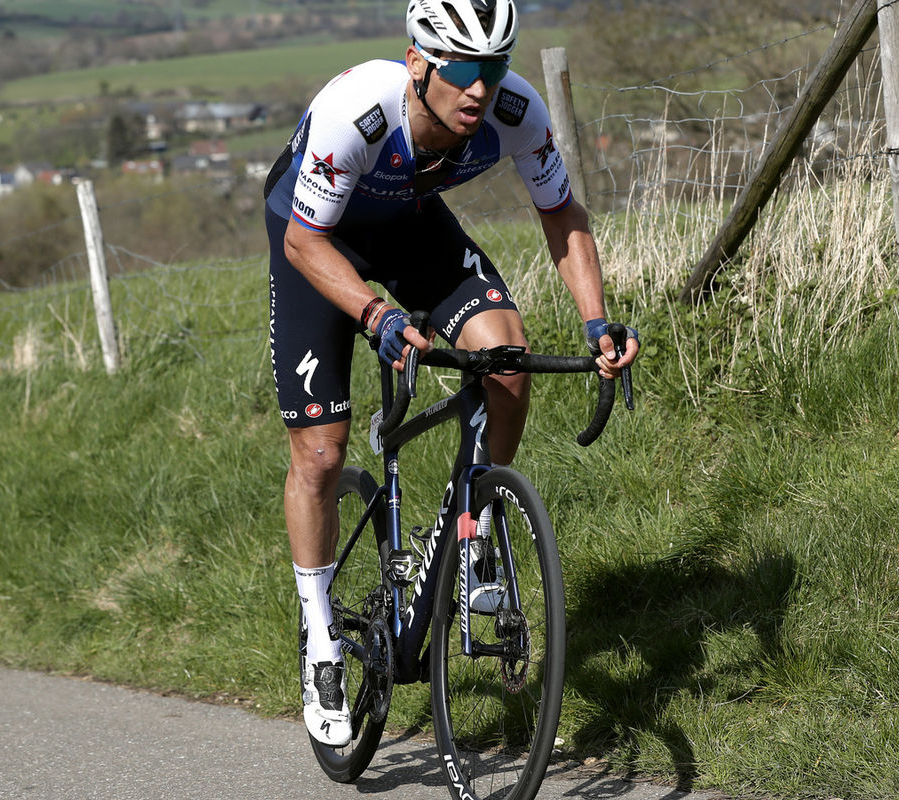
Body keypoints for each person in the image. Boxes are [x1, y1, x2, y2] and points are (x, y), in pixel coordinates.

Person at [263, 0, 639, 747]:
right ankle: (320, 639)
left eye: (492, 69)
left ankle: (477, 527)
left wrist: (598, 323)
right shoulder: (355, 114)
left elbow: (561, 213)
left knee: (504, 356)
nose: (479, 88)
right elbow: (307, 241)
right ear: (417, 64)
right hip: (317, 242)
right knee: (321, 453)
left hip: (409, 228)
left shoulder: (516, 110)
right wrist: (377, 318)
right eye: (462, 70)